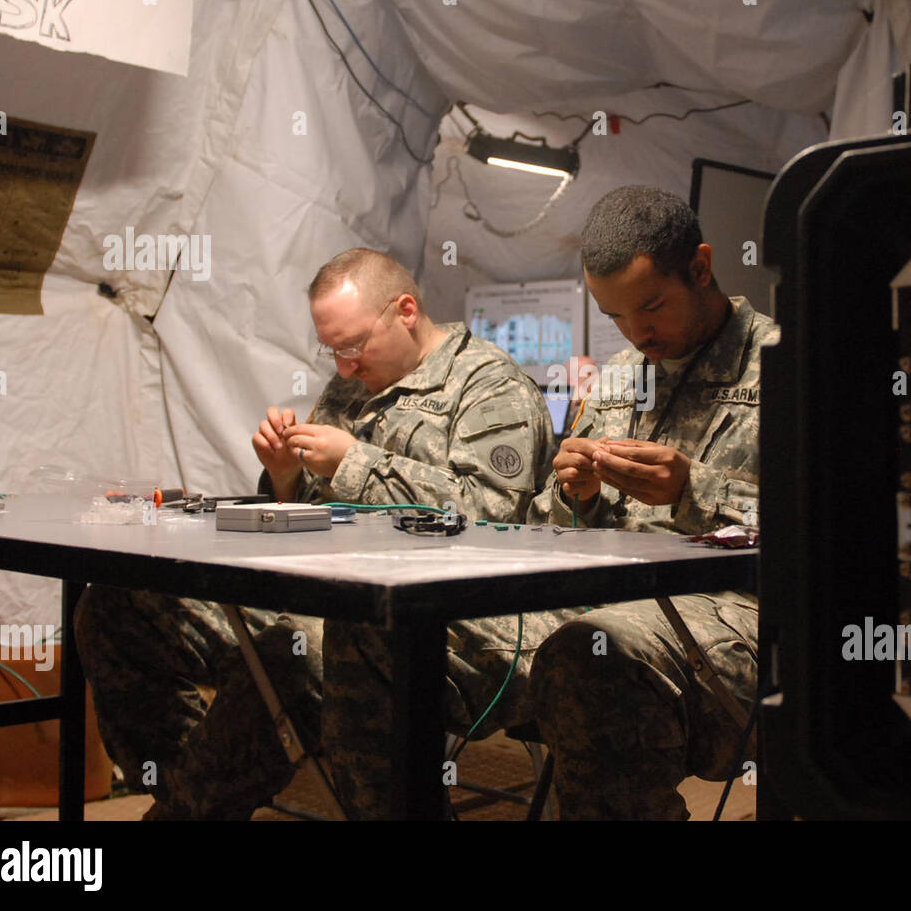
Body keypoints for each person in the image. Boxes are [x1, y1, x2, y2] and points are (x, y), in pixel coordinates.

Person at [75, 248, 554, 819]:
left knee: (294, 654)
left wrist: (350, 460)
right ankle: (189, 790)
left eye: (353, 346)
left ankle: (190, 809)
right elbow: (320, 515)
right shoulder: (350, 387)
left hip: (433, 621)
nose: (345, 366)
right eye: (332, 351)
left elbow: (488, 518)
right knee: (117, 607)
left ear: (405, 310)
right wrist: (285, 474)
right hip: (322, 596)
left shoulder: (492, 388)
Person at [525, 185, 778, 819]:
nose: (637, 332)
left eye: (652, 306)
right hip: (614, 602)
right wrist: (574, 496)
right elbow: (558, 526)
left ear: (700, 267)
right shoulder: (619, 378)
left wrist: (696, 491)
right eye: (614, 317)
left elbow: (839, 532)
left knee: (590, 654)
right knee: (389, 630)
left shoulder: (789, 368)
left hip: (747, 615)